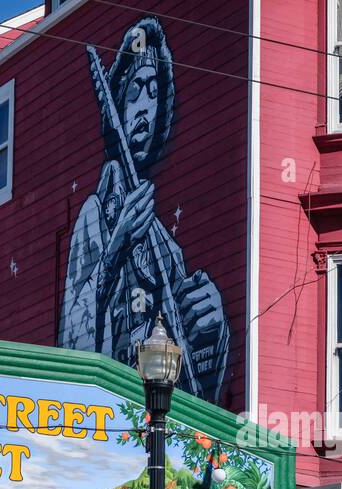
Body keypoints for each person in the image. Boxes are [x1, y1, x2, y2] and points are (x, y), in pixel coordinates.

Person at [59, 17, 229, 403]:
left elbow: (196, 386)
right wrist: (117, 246)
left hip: (163, 438)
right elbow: (72, 337)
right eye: (136, 90)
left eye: (155, 92)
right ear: (116, 102)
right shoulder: (94, 217)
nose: (146, 108)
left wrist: (212, 328)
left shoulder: (166, 247)